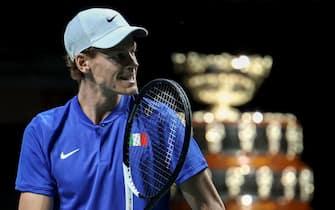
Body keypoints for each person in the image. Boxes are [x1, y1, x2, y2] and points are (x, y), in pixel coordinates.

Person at [15, 7, 225, 210]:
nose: (133, 63)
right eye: (118, 55)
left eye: (132, 51)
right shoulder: (44, 130)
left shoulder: (161, 121)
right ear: (82, 62)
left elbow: (209, 205)